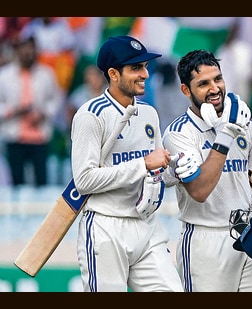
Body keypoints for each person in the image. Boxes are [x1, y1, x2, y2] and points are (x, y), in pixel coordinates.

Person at [162, 49, 252, 292]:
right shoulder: (178, 134)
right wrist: (225, 136)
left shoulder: (243, 122)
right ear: (186, 90)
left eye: (218, 79)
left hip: (249, 234)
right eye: (203, 83)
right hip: (205, 242)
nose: (215, 88)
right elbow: (199, 190)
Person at [70, 35, 186, 292]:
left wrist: (176, 171)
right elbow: (84, 180)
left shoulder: (148, 113)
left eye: (145, 66)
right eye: (135, 68)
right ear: (113, 73)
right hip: (105, 226)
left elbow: (157, 174)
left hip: (146, 226)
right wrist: (143, 163)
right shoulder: (90, 115)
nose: (145, 74)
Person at [0, 34, 63, 187]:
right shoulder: (4, 75)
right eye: (24, 49)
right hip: (14, 134)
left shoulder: (46, 74)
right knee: (16, 182)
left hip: (39, 135)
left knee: (41, 181)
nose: (27, 52)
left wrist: (43, 113)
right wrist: (14, 111)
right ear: (17, 51)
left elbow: (56, 99)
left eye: (31, 49)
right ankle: (15, 211)